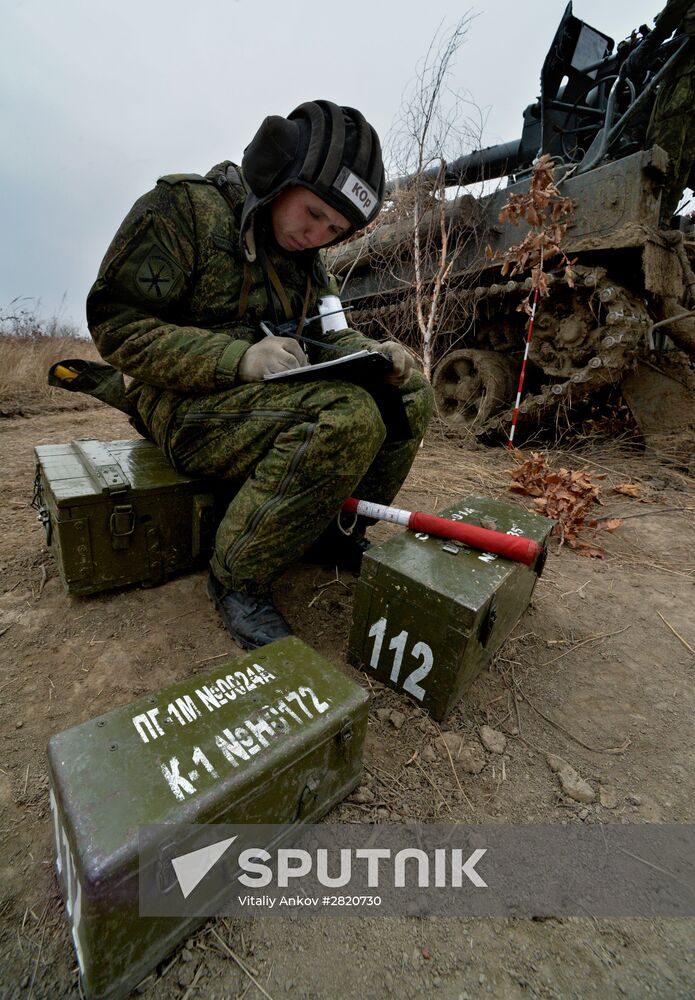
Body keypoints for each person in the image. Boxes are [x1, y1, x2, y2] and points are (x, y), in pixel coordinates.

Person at [86, 100, 433, 650]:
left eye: (335, 228)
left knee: (411, 395)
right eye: (313, 213)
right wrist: (238, 358)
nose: (317, 234)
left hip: (269, 399)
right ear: (276, 175)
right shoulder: (183, 211)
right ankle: (238, 578)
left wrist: (377, 353)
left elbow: (332, 331)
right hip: (181, 401)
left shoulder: (307, 260)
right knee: (346, 417)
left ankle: (330, 533)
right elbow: (118, 327)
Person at [625, 1, 695, 222]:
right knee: (686, 150)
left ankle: (651, 217)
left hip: (687, 68)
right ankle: (662, 218)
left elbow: (676, 7)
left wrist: (650, 43)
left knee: (665, 139)